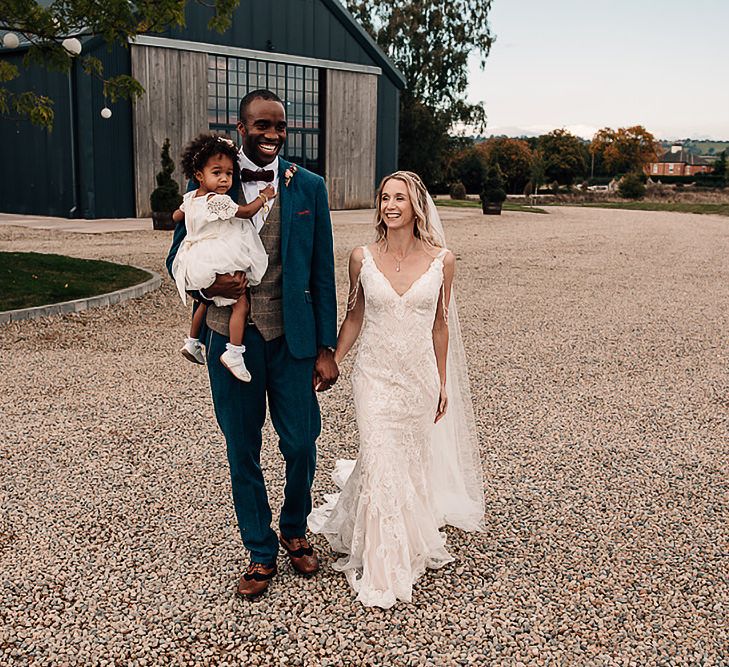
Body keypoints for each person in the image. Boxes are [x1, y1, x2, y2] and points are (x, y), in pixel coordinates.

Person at [166, 90, 339, 600]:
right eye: (261, 125)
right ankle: (260, 550)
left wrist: (326, 348)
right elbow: (179, 254)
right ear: (241, 128)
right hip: (229, 339)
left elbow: (321, 272)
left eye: (280, 127)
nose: (272, 135)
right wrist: (204, 289)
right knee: (242, 447)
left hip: (293, 338)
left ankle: (294, 527)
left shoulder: (309, 187)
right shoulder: (214, 179)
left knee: (302, 440)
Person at [308, 171, 484, 609]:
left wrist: (443, 382)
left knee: (404, 463)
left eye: (399, 198)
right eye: (384, 198)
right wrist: (332, 359)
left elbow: (440, 326)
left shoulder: (443, 260)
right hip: (375, 377)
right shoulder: (361, 257)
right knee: (383, 456)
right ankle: (385, 565)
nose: (389, 205)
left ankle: (394, 532)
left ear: (416, 206)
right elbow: (354, 318)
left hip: (418, 379)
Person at [172, 133, 273, 382]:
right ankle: (234, 352)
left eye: (229, 174)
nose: (225, 179)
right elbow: (246, 212)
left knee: (206, 301)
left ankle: (193, 341)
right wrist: (264, 196)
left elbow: (177, 216)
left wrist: (187, 216)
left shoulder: (190, 198)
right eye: (217, 173)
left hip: (195, 256)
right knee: (241, 302)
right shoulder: (217, 201)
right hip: (218, 253)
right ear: (199, 175)